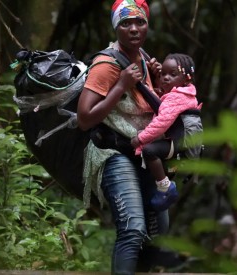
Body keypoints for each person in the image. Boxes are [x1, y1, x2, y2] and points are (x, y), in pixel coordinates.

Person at [77, 0, 178, 273]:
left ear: (147, 24)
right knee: (133, 229)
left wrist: (155, 81)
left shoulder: (144, 58)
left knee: (159, 230)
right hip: (114, 154)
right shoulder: (106, 65)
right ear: (116, 28)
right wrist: (120, 84)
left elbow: (149, 109)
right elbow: (84, 118)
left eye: (140, 22)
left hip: (144, 153)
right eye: (125, 23)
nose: (134, 29)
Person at [130, 53, 201, 211]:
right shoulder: (184, 94)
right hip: (181, 143)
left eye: (173, 74)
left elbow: (161, 123)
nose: (165, 78)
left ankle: (165, 188)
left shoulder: (177, 98)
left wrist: (140, 138)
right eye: (163, 74)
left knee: (149, 151)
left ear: (187, 78)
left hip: (178, 143)